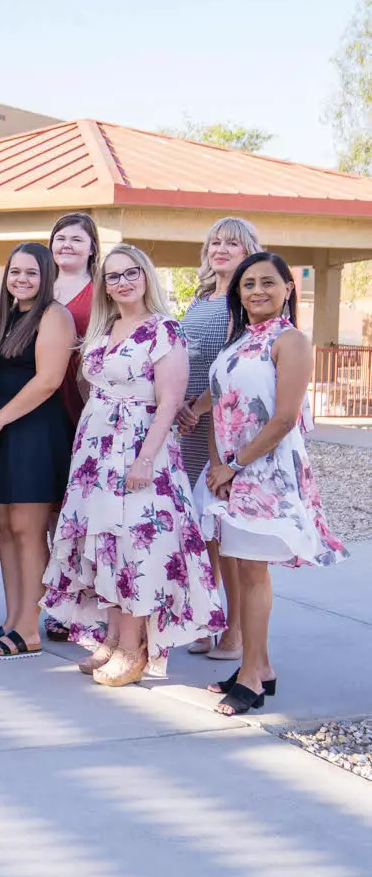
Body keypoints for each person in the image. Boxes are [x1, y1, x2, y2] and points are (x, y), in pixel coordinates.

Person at [41, 245, 223, 685]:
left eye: (131, 273)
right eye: (113, 276)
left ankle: (135, 647)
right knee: (103, 543)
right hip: (96, 455)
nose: (123, 282)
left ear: (146, 277)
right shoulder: (105, 328)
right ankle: (112, 637)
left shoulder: (164, 329)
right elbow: (92, 387)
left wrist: (144, 458)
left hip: (142, 450)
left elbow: (170, 402)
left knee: (137, 546)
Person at [195, 252, 347, 715]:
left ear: (287, 288)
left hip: (266, 470)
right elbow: (220, 405)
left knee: (254, 569)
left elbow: (284, 419)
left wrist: (234, 465)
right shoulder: (238, 341)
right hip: (230, 470)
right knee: (240, 567)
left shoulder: (291, 340)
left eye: (267, 282)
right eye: (248, 285)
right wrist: (217, 464)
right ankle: (260, 668)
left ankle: (250, 676)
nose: (257, 291)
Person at [0, 243, 74, 660]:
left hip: (33, 433)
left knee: (29, 532)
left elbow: (48, 380)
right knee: (5, 531)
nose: (21, 279)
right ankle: (11, 620)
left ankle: (30, 628)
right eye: (15, 272)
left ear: (46, 276)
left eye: (31, 272)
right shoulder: (0, 317)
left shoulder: (54, 316)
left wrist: (1, 418)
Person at [177, 217, 261, 660]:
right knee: (200, 531)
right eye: (215, 241)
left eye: (232, 242)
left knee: (226, 532)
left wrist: (198, 407)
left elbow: (233, 368)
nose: (221, 248)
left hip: (223, 428)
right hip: (189, 427)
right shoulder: (201, 298)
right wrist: (179, 406)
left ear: (249, 250)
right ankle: (205, 618)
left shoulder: (244, 302)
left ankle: (236, 632)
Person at [42, 211, 101, 644]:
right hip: (41, 405)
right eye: (60, 238)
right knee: (47, 507)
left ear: (92, 247)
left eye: (76, 240)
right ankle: (55, 597)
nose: (67, 246)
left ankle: (87, 601)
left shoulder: (101, 293)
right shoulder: (39, 286)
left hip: (83, 407)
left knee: (77, 510)